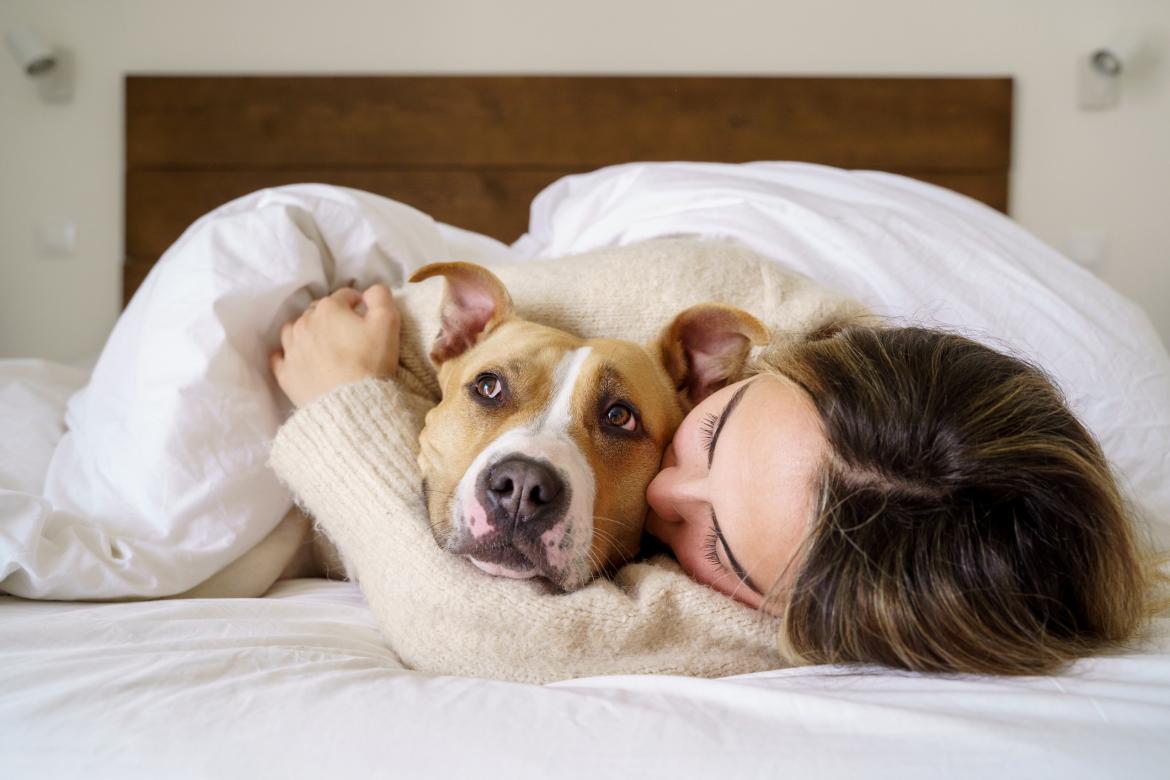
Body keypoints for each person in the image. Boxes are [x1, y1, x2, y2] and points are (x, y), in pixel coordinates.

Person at [269, 280, 1158, 683]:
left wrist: (345, 405)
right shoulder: (740, 318)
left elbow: (469, 629)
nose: (662, 494)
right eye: (711, 432)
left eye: (718, 546)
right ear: (716, 376)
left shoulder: (808, 611)